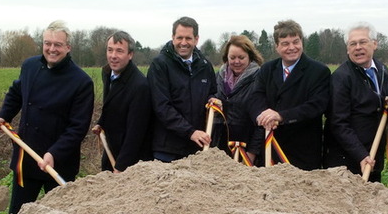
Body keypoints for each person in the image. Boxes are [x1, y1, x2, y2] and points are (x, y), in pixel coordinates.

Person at [0, 20, 94, 214]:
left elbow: (77, 128)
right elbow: (16, 92)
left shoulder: (81, 82)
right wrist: (4, 116)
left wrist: (54, 153)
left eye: (58, 45)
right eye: (48, 43)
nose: (52, 49)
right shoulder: (30, 66)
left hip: (59, 162)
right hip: (27, 155)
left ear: (68, 47)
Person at [247, 19, 330, 170]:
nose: (292, 47)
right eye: (285, 43)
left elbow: (316, 106)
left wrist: (280, 116)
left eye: (295, 42)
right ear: (277, 47)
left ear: (301, 42)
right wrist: (262, 116)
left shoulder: (319, 71)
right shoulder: (267, 69)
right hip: (270, 147)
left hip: (303, 151)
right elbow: (255, 98)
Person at [323, 22, 388, 182]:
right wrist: (361, 155)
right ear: (347, 49)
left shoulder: (383, 71)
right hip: (346, 163)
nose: (358, 47)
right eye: (352, 44)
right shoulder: (341, 78)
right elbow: (339, 123)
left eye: (363, 42)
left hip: (373, 158)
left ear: (374, 44)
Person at [148, 16, 217, 162]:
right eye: (179, 37)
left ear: (196, 39)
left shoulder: (205, 66)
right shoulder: (159, 65)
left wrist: (214, 100)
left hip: (196, 148)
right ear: (173, 37)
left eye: (188, 38)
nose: (183, 43)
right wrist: (190, 132)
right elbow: (161, 106)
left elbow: (212, 92)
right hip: (167, 149)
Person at [92, 31, 152, 172]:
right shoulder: (107, 73)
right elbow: (110, 105)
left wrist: (121, 166)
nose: (113, 56)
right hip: (111, 151)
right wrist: (101, 122)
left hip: (131, 162)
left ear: (130, 55)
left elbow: (135, 133)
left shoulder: (139, 86)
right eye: (110, 50)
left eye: (119, 51)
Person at [213, 35, 264, 164]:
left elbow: (261, 122)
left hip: (246, 148)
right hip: (221, 148)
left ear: (250, 57)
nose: (236, 61)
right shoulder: (218, 77)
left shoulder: (259, 79)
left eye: (241, 57)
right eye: (232, 57)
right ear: (226, 57)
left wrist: (251, 155)